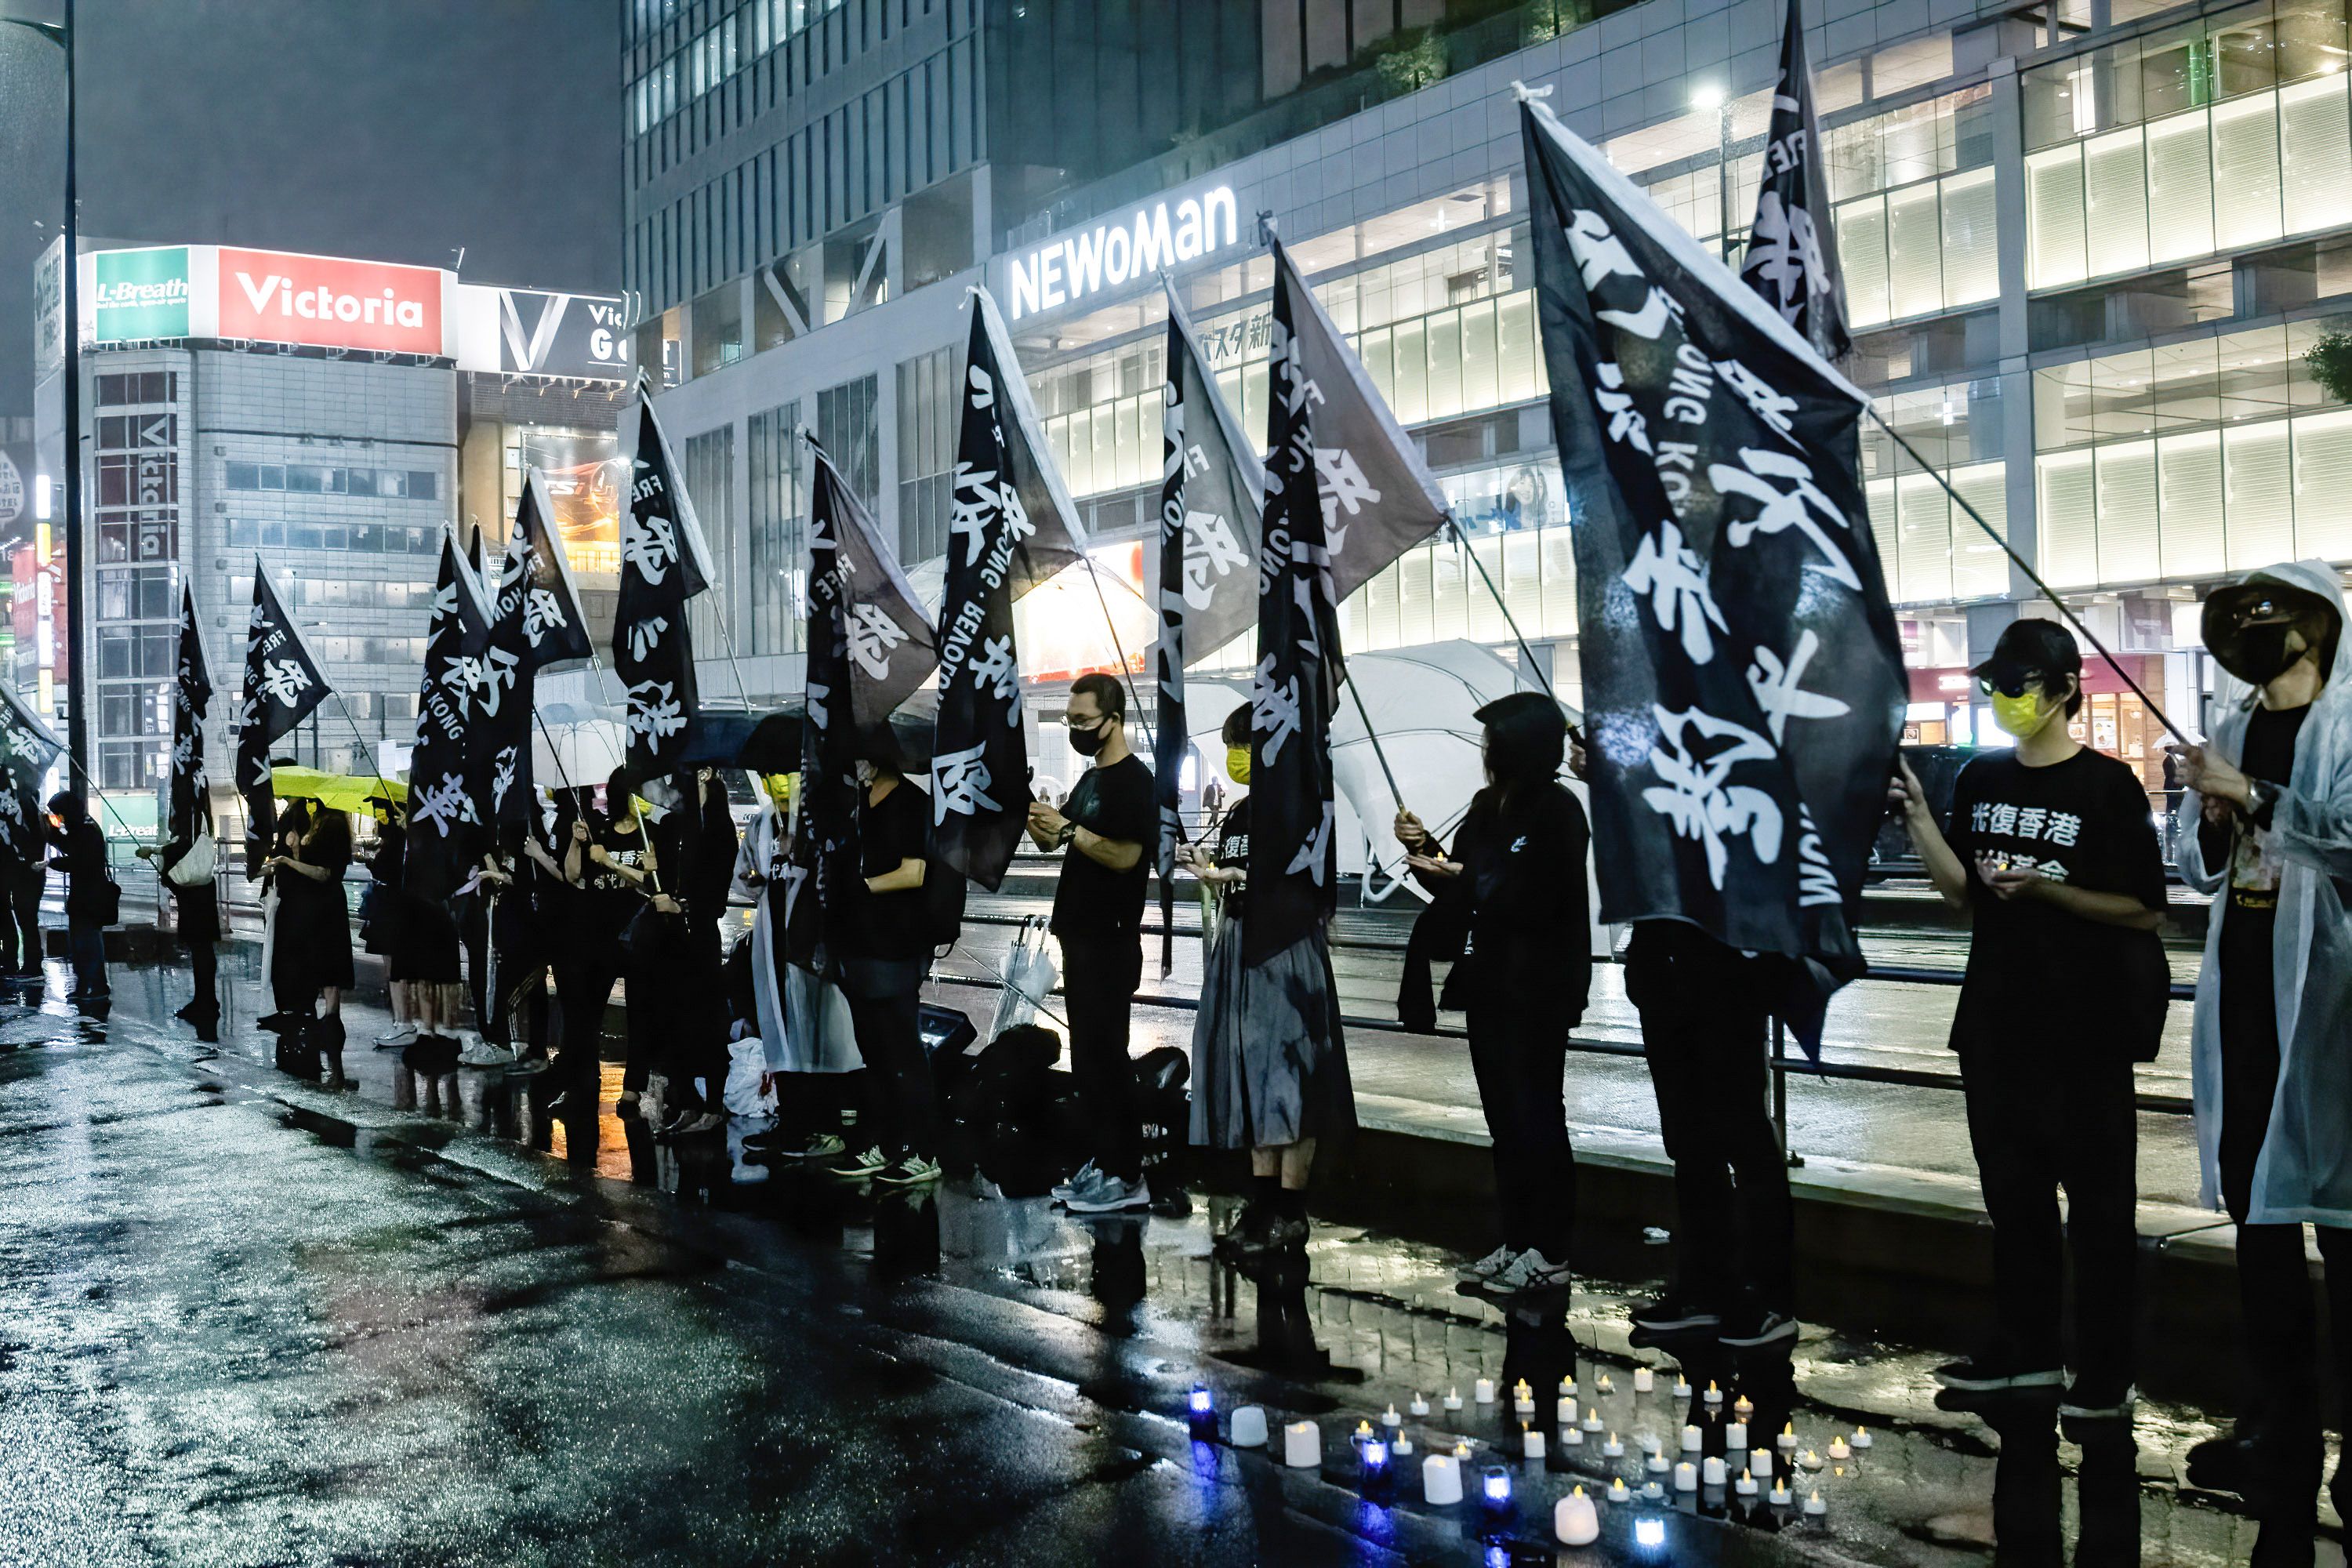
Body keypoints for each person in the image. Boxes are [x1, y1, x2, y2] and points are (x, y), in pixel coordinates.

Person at [1890, 618, 2166, 1416]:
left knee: (2102, 1206)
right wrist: (1916, 815)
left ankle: (2106, 1369)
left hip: (2087, 1028)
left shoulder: (2109, 787)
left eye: (2020, 686)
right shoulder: (1979, 780)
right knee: (2014, 1199)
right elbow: (1964, 895)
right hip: (1997, 1020)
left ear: (2064, 691)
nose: (2005, 699)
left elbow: (2144, 910)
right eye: (1997, 686)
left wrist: (2049, 891)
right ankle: (2027, 1348)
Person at [2175, 562, 2352, 1555]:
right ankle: (2274, 1425)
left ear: (2319, 626)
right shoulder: (2233, 725)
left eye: (2272, 611)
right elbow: (2202, 864)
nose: (2254, 625)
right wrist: (2208, 815)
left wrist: (2255, 791)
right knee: (2258, 1220)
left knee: (2345, 1226)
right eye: (2239, 614)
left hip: (2331, 1006)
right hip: (2245, 997)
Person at [1394, 692, 1590, 1296]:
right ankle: (1517, 1237)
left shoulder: (1559, 810)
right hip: (1489, 980)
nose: (1487, 754)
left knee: (1537, 1113)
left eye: (1494, 744)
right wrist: (1423, 848)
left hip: (1540, 984)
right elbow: (1462, 883)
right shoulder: (1487, 807)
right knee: (1503, 1116)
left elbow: (1539, 897)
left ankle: (1550, 1248)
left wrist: (1470, 876)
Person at [1190, 703, 1353, 1257]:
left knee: (1290, 1079)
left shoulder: (1302, 811)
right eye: (1232, 745)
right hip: (1238, 947)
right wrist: (1209, 874)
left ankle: (1290, 1209)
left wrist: (1243, 877)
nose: (1237, 757)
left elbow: (1305, 887)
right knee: (1250, 1076)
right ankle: (1261, 1202)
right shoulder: (1238, 812)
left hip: (1284, 955)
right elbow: (1231, 879)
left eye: (1244, 744)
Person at [1028, 672, 1155, 1215]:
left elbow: (1125, 857)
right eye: (1070, 720)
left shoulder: (1133, 780)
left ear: (1114, 719)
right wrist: (1039, 820)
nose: (1076, 729)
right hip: (1078, 936)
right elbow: (1056, 845)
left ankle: (1127, 1174)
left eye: (1082, 721)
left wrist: (1068, 830)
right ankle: (1102, 1162)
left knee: (1107, 1057)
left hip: (1111, 938)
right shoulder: (1089, 780)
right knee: (1089, 1062)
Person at [827, 753, 942, 1186]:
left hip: (895, 944)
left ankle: (923, 1148)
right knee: (871, 1048)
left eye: (864, 754)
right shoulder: (857, 802)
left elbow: (914, 872)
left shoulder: (913, 803)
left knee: (901, 1049)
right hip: (857, 943)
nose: (858, 763)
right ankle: (883, 1141)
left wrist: (862, 887)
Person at [547, 768, 662, 1123]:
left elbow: (651, 884)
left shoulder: (651, 834)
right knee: (586, 1014)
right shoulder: (597, 830)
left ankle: (632, 1089)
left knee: (640, 1011)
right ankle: (581, 1082)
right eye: (636, 792)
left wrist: (611, 862)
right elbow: (572, 874)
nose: (641, 800)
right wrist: (575, 842)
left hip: (639, 936)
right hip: (598, 937)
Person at [271, 806, 355, 1081]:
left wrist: (289, 860)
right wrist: (295, 851)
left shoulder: (332, 825)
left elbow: (323, 872)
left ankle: (332, 1027)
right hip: (322, 907)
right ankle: (331, 1028)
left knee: (330, 968)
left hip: (328, 906)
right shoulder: (323, 823)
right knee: (326, 968)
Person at [136, 797, 220, 1040]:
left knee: (201, 949)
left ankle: (205, 1002)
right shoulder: (200, 818)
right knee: (203, 949)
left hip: (195, 897)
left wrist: (154, 850)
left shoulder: (191, 821)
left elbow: (182, 847)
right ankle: (205, 999)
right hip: (200, 893)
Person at [45, 792, 111, 1004]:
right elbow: (70, 849)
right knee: (83, 944)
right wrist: (55, 833)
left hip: (89, 900)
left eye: (59, 815)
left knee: (87, 944)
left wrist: (51, 862)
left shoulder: (85, 832)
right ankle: (87, 986)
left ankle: (95, 986)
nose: (58, 819)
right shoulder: (84, 828)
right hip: (86, 898)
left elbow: (77, 860)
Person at [0, 790, 45, 982]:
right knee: (22, 920)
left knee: (24, 920)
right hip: (19, 875)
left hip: (25, 876)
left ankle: (29, 965)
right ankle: (19, 963)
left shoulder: (29, 821)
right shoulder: (34, 819)